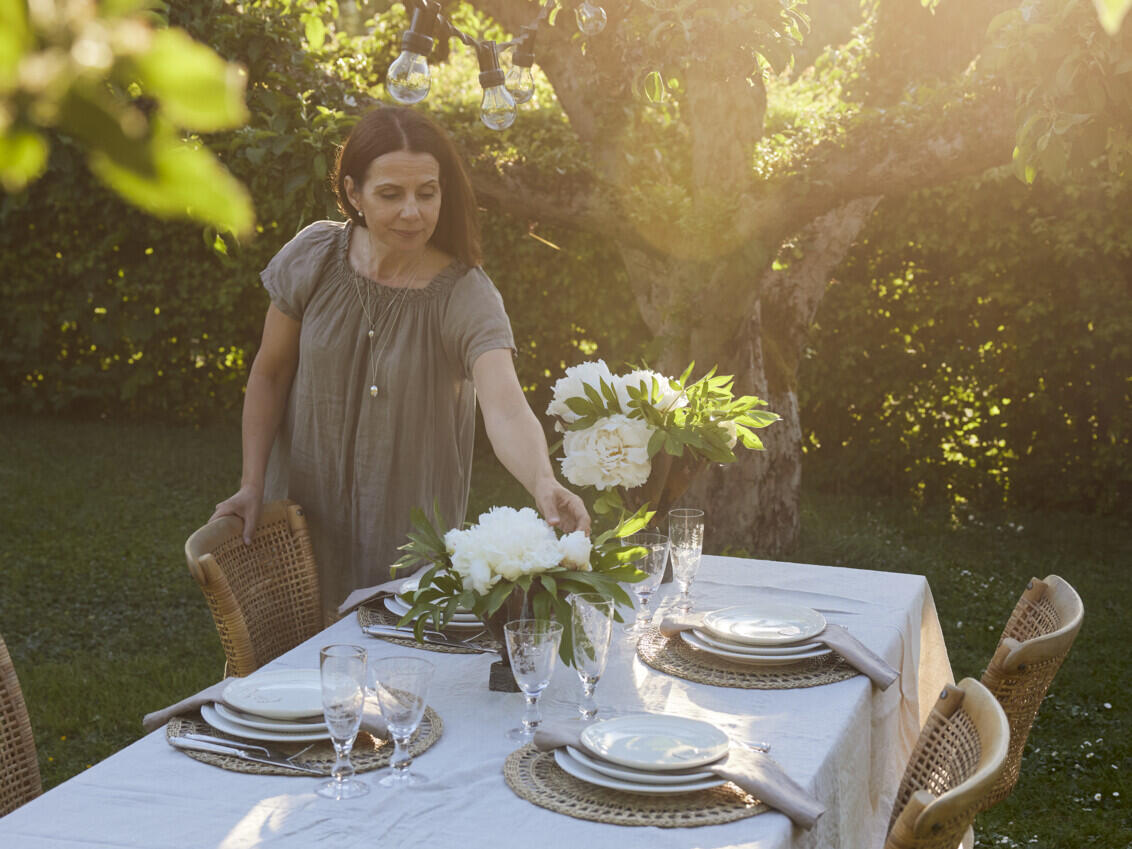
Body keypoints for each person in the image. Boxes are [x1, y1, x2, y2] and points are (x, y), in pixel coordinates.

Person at [210, 106, 589, 623]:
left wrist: (544, 482)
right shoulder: (315, 255)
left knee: (391, 688)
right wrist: (251, 484)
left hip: (402, 550)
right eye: (391, 194)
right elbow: (270, 373)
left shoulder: (466, 294)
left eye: (427, 193)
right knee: (284, 690)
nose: (413, 211)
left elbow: (504, 405)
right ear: (352, 192)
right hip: (295, 523)